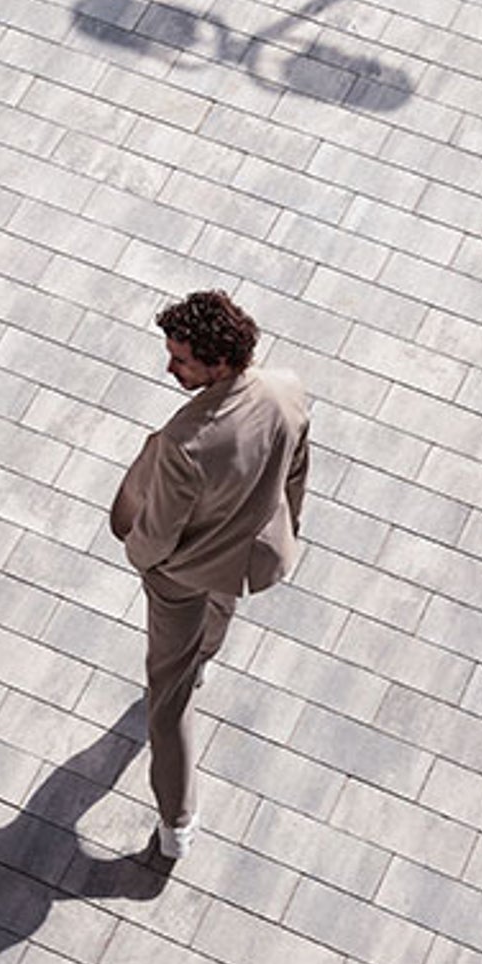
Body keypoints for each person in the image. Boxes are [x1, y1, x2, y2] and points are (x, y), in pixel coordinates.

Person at [110, 289, 310, 865]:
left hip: (183, 575)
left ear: (219, 363)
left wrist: (142, 559)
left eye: (181, 360)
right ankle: (204, 658)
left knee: (167, 701)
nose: (170, 368)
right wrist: (284, 527)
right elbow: (296, 468)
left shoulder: (185, 444)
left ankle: (176, 820)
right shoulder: (286, 390)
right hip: (244, 554)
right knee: (218, 617)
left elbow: (156, 533)